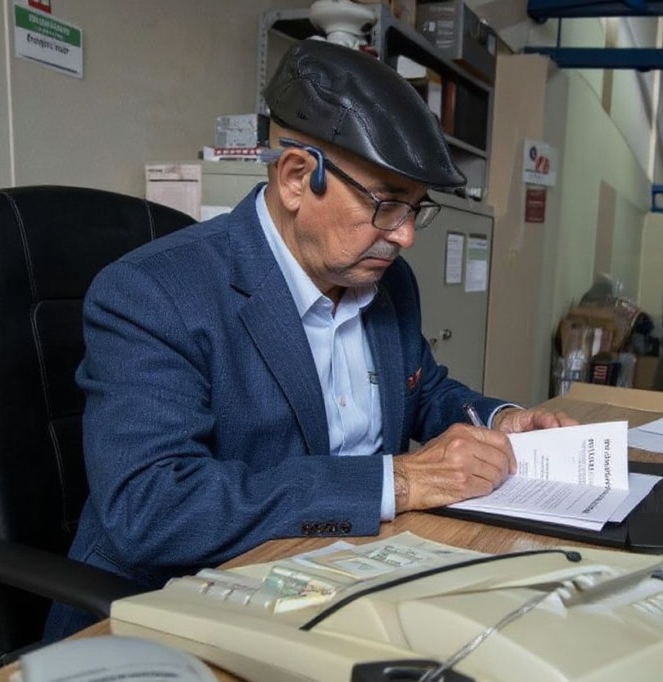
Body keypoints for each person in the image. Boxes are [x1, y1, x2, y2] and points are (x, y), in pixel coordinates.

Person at [44, 39, 575, 639]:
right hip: (183, 606)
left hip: (344, 578)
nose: (404, 238)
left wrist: (499, 420)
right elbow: (154, 507)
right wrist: (397, 481)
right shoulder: (151, 295)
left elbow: (423, 389)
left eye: (416, 211)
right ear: (297, 177)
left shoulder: (389, 283)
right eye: (386, 206)